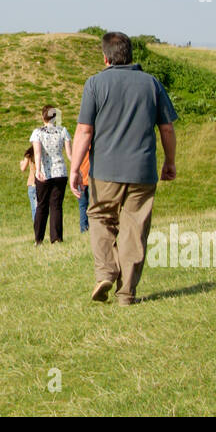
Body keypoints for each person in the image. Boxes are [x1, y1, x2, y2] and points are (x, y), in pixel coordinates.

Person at [70, 31, 178, 306]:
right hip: (142, 170)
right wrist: (170, 161)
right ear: (130, 55)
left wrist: (74, 169)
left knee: (99, 217)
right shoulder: (151, 83)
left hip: (104, 169)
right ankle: (126, 293)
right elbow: (166, 127)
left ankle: (105, 271)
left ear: (105, 57)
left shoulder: (94, 84)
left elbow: (84, 130)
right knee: (134, 228)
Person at [30, 105, 72, 245]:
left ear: (43, 117)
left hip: (45, 172)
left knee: (42, 205)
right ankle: (56, 238)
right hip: (60, 171)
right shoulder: (63, 131)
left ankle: (39, 239)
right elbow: (70, 154)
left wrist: (38, 170)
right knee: (56, 206)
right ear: (55, 117)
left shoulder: (38, 132)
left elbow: (37, 152)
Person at [18, 145, 37, 222]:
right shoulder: (43, 152)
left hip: (32, 183)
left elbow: (23, 168)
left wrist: (21, 163)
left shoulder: (29, 154)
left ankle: (37, 229)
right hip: (43, 184)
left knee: (34, 209)